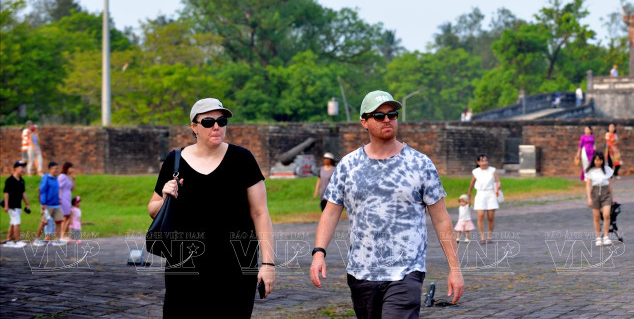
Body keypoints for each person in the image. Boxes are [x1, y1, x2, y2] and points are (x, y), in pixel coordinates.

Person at [309, 90, 464, 318]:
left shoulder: (420, 164)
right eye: (379, 116)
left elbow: (441, 218)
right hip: (361, 272)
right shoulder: (348, 166)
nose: (387, 120)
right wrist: (319, 253)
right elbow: (331, 213)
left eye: (392, 114)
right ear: (364, 121)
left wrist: (455, 269)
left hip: (406, 272)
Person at [148, 98, 275, 318]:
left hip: (234, 266)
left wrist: (268, 264)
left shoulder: (242, 159)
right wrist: (166, 195)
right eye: (207, 122)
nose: (216, 126)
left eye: (221, 121)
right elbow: (153, 209)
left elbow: (260, 212)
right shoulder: (174, 161)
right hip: (184, 266)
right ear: (194, 127)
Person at [469, 153, 502, 245]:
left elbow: (497, 181)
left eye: (486, 160)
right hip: (480, 194)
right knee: (480, 215)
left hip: (491, 193)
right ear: (478, 162)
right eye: (482, 161)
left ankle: (489, 236)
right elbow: (472, 183)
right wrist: (469, 194)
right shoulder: (476, 171)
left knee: (490, 217)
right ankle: (482, 236)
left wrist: (499, 185)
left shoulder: (492, 170)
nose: (484, 162)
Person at [584, 153, 615, 246]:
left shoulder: (607, 170)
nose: (598, 162)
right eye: (596, 160)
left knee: (606, 215)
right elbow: (588, 185)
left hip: (605, 192)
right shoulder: (590, 171)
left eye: (600, 160)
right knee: (596, 216)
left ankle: (606, 236)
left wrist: (612, 197)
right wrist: (589, 198)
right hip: (595, 192)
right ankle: (598, 237)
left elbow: (609, 184)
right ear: (594, 160)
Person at [3, 160, 29, 247]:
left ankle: (8, 240)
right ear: (15, 168)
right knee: (17, 222)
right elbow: (6, 193)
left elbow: (23, 193)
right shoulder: (10, 180)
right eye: (21, 167)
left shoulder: (22, 180)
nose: (23, 169)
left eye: (24, 167)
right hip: (11, 205)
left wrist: (27, 203)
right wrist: (6, 205)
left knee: (13, 222)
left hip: (18, 205)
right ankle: (18, 241)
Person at [38, 161, 63, 241]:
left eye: (57, 169)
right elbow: (43, 191)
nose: (56, 170)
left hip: (56, 204)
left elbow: (56, 191)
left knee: (59, 221)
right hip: (48, 204)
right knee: (44, 222)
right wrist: (43, 202)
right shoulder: (46, 178)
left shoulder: (56, 179)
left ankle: (57, 239)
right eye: (55, 169)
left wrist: (59, 199)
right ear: (49, 169)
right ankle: (37, 238)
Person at [57, 162, 75, 241]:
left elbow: (72, 188)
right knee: (66, 216)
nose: (72, 169)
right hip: (63, 198)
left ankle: (64, 234)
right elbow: (58, 187)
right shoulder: (62, 176)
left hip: (68, 197)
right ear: (66, 168)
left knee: (68, 216)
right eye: (70, 167)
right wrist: (59, 198)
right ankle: (62, 235)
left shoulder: (69, 177)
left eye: (72, 168)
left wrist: (74, 179)